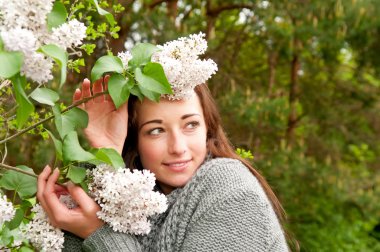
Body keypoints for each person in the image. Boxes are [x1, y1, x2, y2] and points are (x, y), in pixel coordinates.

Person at [37, 38, 289, 251]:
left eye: (190, 125)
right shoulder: (129, 195)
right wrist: (107, 152)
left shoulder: (229, 187)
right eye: (156, 130)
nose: (178, 147)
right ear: (134, 140)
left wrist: (98, 233)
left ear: (208, 128)